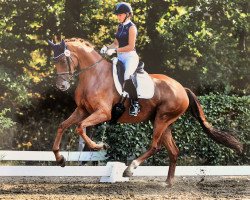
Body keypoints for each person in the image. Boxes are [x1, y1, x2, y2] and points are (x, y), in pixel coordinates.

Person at [100, 2, 140, 116]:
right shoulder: (120, 26)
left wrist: (115, 50)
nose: (118, 17)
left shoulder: (132, 27)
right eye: (117, 15)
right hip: (120, 57)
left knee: (127, 76)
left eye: (120, 14)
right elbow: (116, 43)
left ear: (127, 14)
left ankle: (135, 104)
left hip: (130, 57)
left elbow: (130, 46)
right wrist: (107, 47)